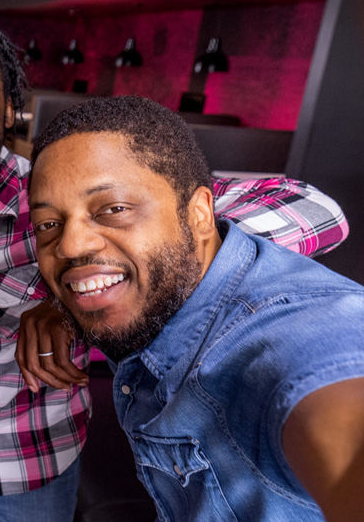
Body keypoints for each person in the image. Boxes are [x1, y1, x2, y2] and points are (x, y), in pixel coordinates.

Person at [0, 17, 350, 522]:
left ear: (9, 110)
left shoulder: (63, 192)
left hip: (38, 451)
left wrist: (67, 301)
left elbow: (312, 209)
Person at [28, 95, 364, 521]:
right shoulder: (158, 286)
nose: (71, 245)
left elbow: (328, 393)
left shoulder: (282, 334)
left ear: (202, 213)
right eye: (48, 225)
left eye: (113, 209)